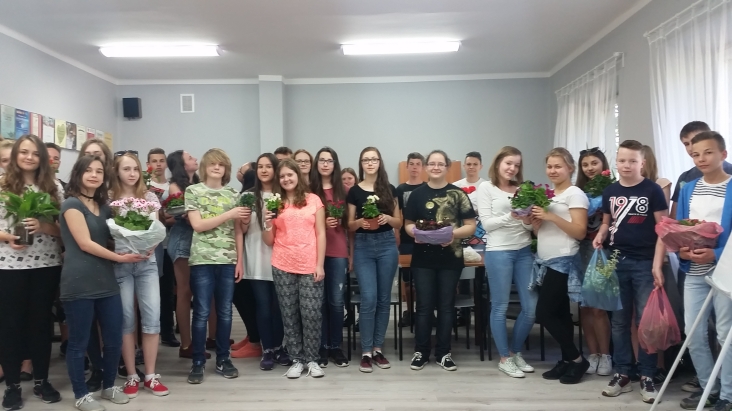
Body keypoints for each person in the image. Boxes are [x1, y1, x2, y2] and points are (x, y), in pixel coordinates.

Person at [60, 155, 148, 411]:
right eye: (88, 170)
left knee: (113, 339)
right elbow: (85, 243)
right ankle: (81, 395)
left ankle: (109, 386)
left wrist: (141, 242)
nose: (94, 175)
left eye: (99, 171)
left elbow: (111, 238)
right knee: (78, 343)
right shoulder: (71, 204)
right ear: (78, 174)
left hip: (106, 281)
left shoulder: (104, 206)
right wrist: (120, 257)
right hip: (78, 282)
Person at [594, 140, 668, 403]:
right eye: (622, 160)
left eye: (632, 161)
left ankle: (647, 375)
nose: (626, 165)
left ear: (642, 163)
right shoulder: (610, 191)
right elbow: (607, 222)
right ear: (616, 161)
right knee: (619, 321)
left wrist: (657, 264)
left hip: (644, 263)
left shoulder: (652, 190)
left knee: (645, 323)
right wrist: (601, 234)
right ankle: (623, 373)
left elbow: (663, 229)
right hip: (616, 261)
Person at [669, 131, 732, 411]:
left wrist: (715, 254)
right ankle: (709, 388)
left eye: (708, 152)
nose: (701, 158)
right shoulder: (689, 188)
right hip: (694, 271)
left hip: (725, 273)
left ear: (723, 154)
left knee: (724, 334)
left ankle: (728, 395)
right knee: (693, 333)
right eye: (695, 154)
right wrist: (681, 249)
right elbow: (681, 227)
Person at [0, 135, 64, 409]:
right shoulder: (2, 185)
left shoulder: (53, 187)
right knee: (10, 325)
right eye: (24, 152)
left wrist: (43, 226)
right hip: (9, 266)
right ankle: (12, 386)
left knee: (40, 324)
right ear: (15, 155)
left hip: (46, 264)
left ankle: (41, 380)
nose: (29, 157)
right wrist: (7, 237)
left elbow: (65, 230)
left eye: (35, 153)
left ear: (42, 158)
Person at [404, 150, 476, 371]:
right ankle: (421, 351)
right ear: (426, 167)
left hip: (450, 258)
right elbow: (407, 224)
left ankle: (444, 353)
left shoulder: (458, 194)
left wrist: (452, 234)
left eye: (440, 164)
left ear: (447, 167)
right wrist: (417, 234)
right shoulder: (416, 195)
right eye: (432, 164)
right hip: (422, 259)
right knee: (424, 307)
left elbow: (470, 225)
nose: (436, 167)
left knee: (446, 307)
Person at [109, 153, 169, 398]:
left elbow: (155, 229)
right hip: (121, 263)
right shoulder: (109, 198)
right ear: (117, 171)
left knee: (152, 316)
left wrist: (151, 244)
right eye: (126, 169)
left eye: (135, 168)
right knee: (126, 319)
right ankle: (132, 375)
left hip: (147, 263)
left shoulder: (149, 197)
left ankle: (151, 376)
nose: (132, 173)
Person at [185, 148, 247, 384]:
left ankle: (223, 358)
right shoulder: (193, 191)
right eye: (212, 163)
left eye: (221, 164)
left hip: (228, 260)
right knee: (201, 312)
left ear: (226, 169)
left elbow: (238, 231)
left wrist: (239, 260)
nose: (217, 167)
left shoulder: (233, 194)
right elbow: (198, 225)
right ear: (205, 167)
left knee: (225, 312)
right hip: (202, 259)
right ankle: (198, 361)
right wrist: (229, 214)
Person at [262, 158, 327, 379]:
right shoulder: (274, 203)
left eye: (290, 174)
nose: (286, 179)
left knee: (311, 313)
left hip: (310, 264)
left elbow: (321, 233)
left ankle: (312, 359)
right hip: (282, 264)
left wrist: (319, 264)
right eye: (282, 176)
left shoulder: (313, 200)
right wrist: (266, 222)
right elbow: (268, 240)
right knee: (289, 314)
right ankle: (297, 360)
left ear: (298, 175)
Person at [530, 148, 590, 384]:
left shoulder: (575, 194)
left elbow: (580, 231)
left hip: (563, 260)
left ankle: (577, 359)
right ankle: (567, 360)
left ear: (570, 168)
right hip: (545, 260)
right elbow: (544, 232)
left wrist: (552, 217)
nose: (552, 171)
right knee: (560, 313)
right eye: (549, 166)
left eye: (558, 166)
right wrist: (536, 225)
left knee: (544, 313)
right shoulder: (548, 195)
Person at [476, 146, 537, 378]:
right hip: (499, 251)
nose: (512, 168)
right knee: (500, 307)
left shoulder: (522, 189)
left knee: (530, 309)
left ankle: (515, 352)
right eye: (508, 163)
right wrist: (511, 215)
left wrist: (527, 219)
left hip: (524, 251)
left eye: (517, 165)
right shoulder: (486, 188)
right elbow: (487, 225)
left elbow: (528, 228)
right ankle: (504, 358)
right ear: (498, 163)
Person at [346, 147, 401, 373]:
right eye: (366, 160)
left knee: (383, 299)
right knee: (368, 298)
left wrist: (387, 218)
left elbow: (399, 222)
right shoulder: (354, 191)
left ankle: (378, 349)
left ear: (379, 162)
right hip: (364, 247)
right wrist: (360, 223)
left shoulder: (390, 189)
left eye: (374, 159)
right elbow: (349, 225)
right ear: (361, 163)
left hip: (387, 245)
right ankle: (366, 351)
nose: (370, 163)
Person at [240, 153, 290, 369]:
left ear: (276, 169)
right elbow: (241, 230)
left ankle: (279, 347)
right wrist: (243, 221)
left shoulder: (284, 196)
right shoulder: (248, 196)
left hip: (281, 257)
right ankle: (266, 349)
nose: (264, 170)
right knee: (262, 305)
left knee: (279, 307)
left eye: (268, 166)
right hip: (256, 255)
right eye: (260, 166)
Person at [75, 139, 114, 392]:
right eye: (87, 156)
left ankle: (112, 366)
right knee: (87, 323)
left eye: (97, 156)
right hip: (85, 267)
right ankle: (96, 366)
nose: (93, 170)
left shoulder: (109, 193)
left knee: (113, 322)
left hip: (111, 266)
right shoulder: (74, 200)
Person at [165, 150, 209, 360]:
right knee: (185, 291)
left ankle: (207, 338)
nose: (195, 159)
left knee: (201, 290)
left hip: (198, 239)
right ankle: (186, 344)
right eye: (190, 158)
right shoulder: (175, 186)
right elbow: (181, 214)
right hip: (183, 240)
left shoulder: (198, 183)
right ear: (181, 165)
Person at [574, 147, 613, 376]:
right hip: (579, 250)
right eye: (585, 164)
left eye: (594, 163)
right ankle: (593, 354)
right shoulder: (577, 192)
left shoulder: (613, 189)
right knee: (584, 305)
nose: (590, 168)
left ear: (603, 165)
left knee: (599, 306)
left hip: (602, 250)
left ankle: (606, 354)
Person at [311, 147, 350, 368]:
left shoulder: (344, 190)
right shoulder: (309, 190)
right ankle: (321, 347)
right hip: (314, 253)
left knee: (336, 302)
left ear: (335, 164)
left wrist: (351, 255)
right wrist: (321, 223)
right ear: (317, 164)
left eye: (330, 160)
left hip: (337, 252)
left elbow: (352, 225)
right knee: (319, 303)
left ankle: (336, 346)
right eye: (322, 160)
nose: (325, 164)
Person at [146, 148, 179, 348]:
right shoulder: (143, 186)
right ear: (148, 164)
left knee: (168, 290)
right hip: (150, 246)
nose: (158, 164)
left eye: (161, 160)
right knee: (151, 290)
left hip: (169, 244)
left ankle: (167, 331)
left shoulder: (171, 186)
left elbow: (175, 214)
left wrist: (167, 218)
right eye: (154, 161)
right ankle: (150, 332)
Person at [396, 153, 425, 255]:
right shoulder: (400, 189)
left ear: (422, 167)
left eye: (418, 164)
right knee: (406, 264)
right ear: (407, 166)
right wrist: (396, 234)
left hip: (426, 235)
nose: (414, 167)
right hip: (406, 238)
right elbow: (396, 214)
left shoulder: (427, 187)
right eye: (412, 164)